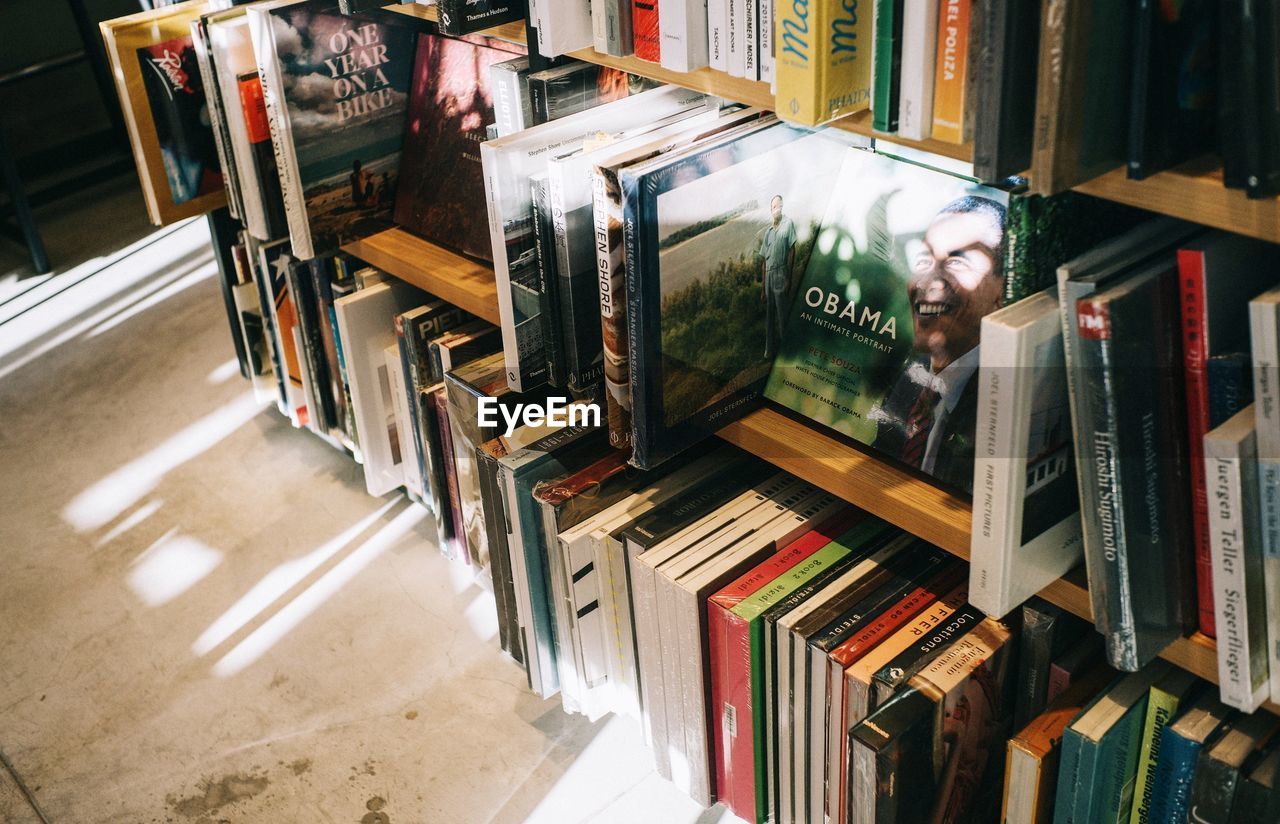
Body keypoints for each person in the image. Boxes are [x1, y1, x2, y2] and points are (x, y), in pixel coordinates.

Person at [870, 195, 1005, 489]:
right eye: (923, 259)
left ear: (1002, 291)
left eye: (956, 262)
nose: (928, 279)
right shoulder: (906, 382)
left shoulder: (1002, 408)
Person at [759, 194, 797, 360]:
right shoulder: (768, 232)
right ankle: (769, 352)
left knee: (782, 314)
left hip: (780, 274)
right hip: (768, 277)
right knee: (769, 316)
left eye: (779, 205)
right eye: (774, 206)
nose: (777, 208)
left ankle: (787, 351)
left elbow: (792, 251)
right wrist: (762, 289)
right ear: (771, 209)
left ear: (783, 206)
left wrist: (788, 278)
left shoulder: (788, 224)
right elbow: (763, 263)